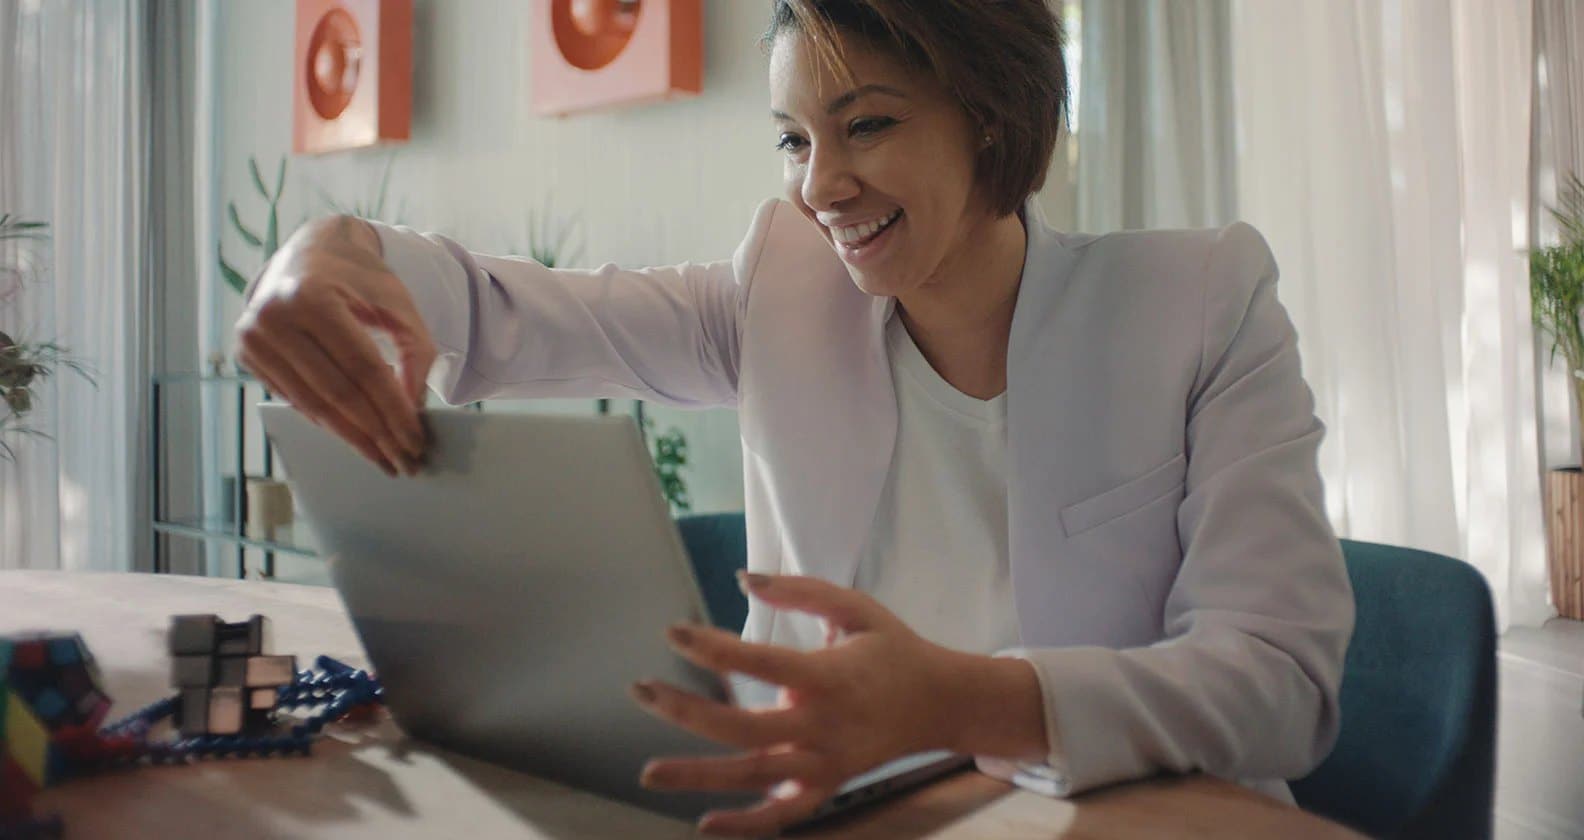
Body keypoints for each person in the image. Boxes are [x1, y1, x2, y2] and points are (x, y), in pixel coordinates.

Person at [235, 0, 1354, 835]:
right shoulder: (783, 287)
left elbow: (1279, 684)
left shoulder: (1198, 303)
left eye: (865, 125)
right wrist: (325, 253)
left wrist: (960, 699)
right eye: (792, 139)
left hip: (1120, 815)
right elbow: (511, 314)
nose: (819, 185)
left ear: (994, 116)